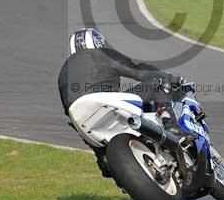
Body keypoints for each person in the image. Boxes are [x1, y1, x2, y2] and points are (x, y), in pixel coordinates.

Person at [57, 28, 174, 177]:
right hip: (106, 103)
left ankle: (104, 160)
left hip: (81, 116)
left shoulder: (63, 72)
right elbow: (139, 72)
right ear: (98, 42)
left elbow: (67, 108)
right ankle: (172, 125)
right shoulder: (102, 54)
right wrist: (167, 77)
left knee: (81, 126)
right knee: (158, 82)